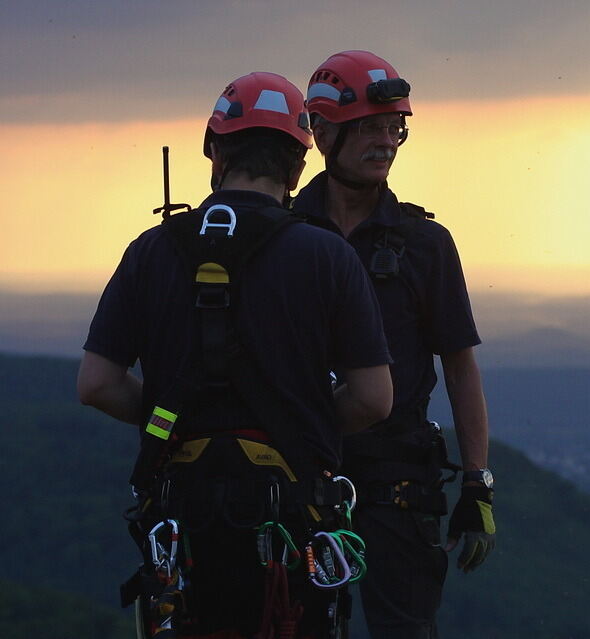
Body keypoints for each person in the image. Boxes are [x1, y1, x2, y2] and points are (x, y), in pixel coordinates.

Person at [77, 71, 393, 638]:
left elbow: (97, 383)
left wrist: (166, 416)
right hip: (290, 523)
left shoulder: (154, 249)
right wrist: (305, 421)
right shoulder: (327, 256)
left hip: (183, 523)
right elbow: (373, 399)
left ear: (214, 153)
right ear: (298, 168)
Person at [293, 50, 495, 638]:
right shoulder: (282, 234)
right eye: (371, 128)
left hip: (398, 482)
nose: (387, 142)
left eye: (394, 128)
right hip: (300, 474)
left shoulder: (424, 243)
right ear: (323, 131)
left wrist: (478, 482)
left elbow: (460, 367)